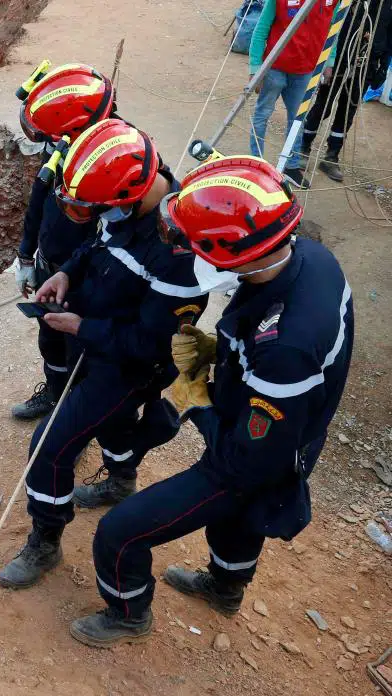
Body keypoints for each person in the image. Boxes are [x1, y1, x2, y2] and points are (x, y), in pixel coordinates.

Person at [70, 155, 354, 648]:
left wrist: (198, 398)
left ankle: (128, 611)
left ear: (239, 252)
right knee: (242, 521)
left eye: (197, 244)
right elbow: (265, 344)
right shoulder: (309, 259)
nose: (187, 252)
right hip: (289, 428)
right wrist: (221, 350)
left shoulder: (286, 344)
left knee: (120, 532)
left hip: (256, 451)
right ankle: (226, 588)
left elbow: (247, 460)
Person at [0, 119, 208, 589]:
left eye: (94, 209)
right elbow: (96, 244)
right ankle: (121, 477)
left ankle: (45, 542)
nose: (91, 217)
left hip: (130, 365)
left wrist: (82, 326)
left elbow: (151, 345)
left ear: (125, 198)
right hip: (98, 339)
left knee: (49, 449)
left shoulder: (177, 255)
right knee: (114, 423)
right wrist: (67, 275)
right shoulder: (127, 203)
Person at [11, 63, 116, 420]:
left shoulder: (115, 157)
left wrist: (75, 274)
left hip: (85, 279)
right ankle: (54, 395)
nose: (51, 143)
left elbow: (114, 237)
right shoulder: (64, 141)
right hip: (51, 267)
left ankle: (72, 416)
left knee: (79, 352)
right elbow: (40, 196)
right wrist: (27, 256)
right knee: (50, 340)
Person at [248, 0, 338, 188]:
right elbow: (261, 28)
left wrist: (329, 61)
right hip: (275, 67)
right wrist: (255, 68)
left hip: (305, 71)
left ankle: (292, 167)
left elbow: (333, 29)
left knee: (298, 119)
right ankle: (255, 164)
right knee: (262, 114)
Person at [302, 0, 392, 181]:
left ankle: (331, 156)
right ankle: (303, 147)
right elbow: (330, 21)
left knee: (347, 111)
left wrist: (383, 67)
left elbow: (390, 36)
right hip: (340, 57)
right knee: (323, 105)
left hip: (367, 62)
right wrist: (328, 59)